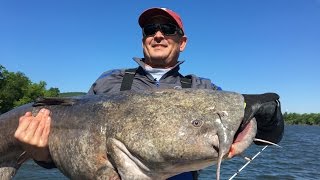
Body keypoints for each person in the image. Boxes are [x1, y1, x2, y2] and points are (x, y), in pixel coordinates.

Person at [14, 7, 284, 180]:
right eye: (149, 30)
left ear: (182, 41)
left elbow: (265, 137)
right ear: (143, 39)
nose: (157, 35)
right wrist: (40, 154)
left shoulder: (203, 89)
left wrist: (269, 113)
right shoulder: (109, 82)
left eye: (167, 30)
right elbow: (76, 152)